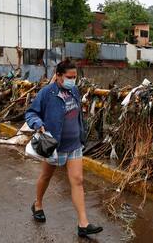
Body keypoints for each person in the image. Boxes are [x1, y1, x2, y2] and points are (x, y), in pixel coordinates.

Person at [25, 60, 103, 237]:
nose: (73, 80)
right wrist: (37, 123)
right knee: (46, 176)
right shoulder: (47, 93)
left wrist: (82, 134)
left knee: (78, 181)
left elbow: (77, 116)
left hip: (74, 144)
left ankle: (83, 223)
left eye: (75, 77)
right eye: (69, 77)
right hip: (54, 145)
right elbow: (31, 113)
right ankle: (37, 204)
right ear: (58, 75)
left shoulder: (74, 90)